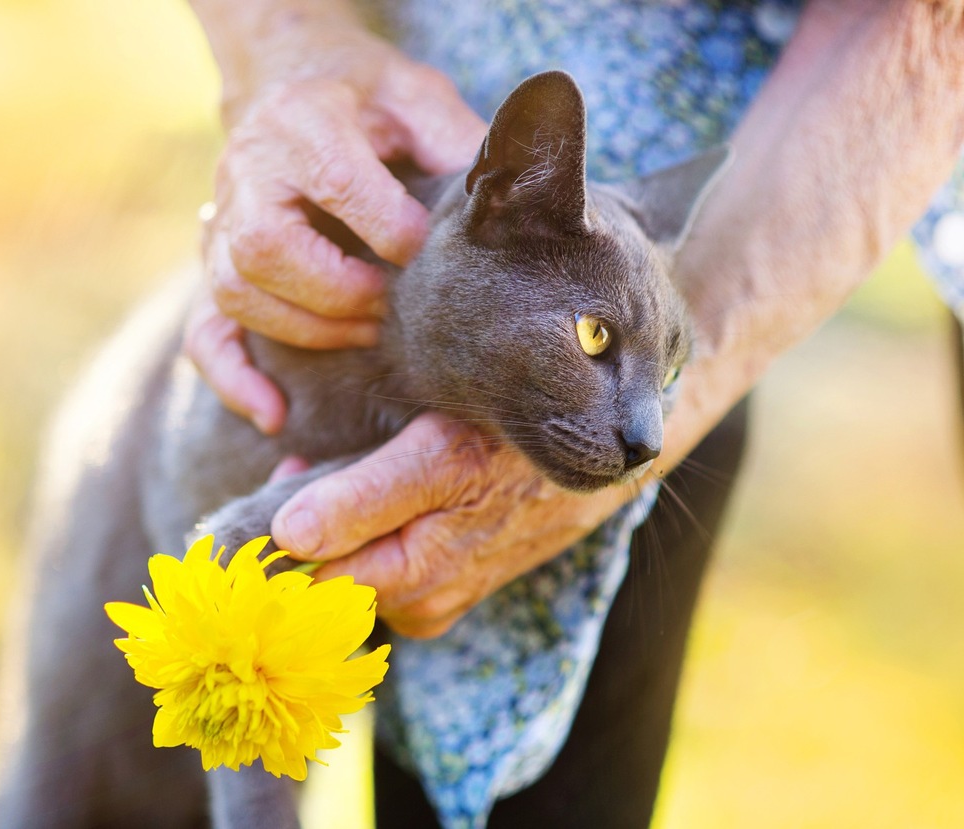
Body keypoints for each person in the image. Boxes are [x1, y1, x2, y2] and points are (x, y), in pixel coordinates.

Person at [182, 1, 964, 826]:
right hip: (450, 131)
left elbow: (929, 21)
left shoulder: (638, 393)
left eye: (662, 381)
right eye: (594, 341)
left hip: (849, 150)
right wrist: (288, 46)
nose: (648, 438)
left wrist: (693, 375)